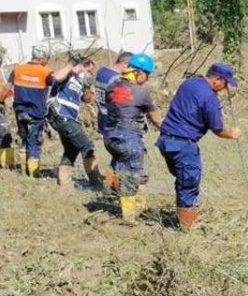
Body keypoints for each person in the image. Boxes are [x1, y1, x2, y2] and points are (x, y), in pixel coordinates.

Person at [156, 64, 244, 230]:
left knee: (182, 180)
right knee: (189, 183)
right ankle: (187, 229)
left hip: (166, 141)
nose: (225, 88)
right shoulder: (209, 97)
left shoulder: (189, 82)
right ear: (217, 79)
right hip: (183, 144)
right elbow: (217, 129)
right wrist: (232, 134)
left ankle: (183, 217)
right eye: (225, 84)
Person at [103, 54, 163, 222]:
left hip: (110, 136)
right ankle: (129, 217)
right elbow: (156, 118)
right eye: (147, 74)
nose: (148, 78)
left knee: (117, 166)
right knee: (131, 176)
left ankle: (108, 195)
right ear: (138, 72)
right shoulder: (141, 92)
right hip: (129, 137)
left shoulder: (112, 86)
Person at [46, 56, 106, 188]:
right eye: (88, 70)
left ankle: (64, 183)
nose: (90, 73)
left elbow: (88, 100)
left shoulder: (80, 81)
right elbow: (56, 77)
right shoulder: (68, 75)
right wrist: (72, 65)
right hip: (60, 114)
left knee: (71, 149)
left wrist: (87, 85)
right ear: (81, 66)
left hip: (69, 117)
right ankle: (97, 183)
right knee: (87, 146)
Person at [10, 47, 55, 177]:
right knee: (34, 142)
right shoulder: (45, 71)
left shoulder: (17, 69)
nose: (47, 62)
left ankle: (23, 172)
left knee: (24, 140)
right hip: (35, 113)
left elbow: (8, 86)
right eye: (47, 59)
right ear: (42, 58)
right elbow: (57, 83)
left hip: (19, 111)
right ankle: (34, 175)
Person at [94, 52, 133, 189]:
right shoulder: (117, 79)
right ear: (125, 65)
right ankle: (116, 187)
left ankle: (109, 186)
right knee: (123, 156)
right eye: (131, 68)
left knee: (116, 155)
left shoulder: (101, 71)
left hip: (102, 118)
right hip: (114, 122)